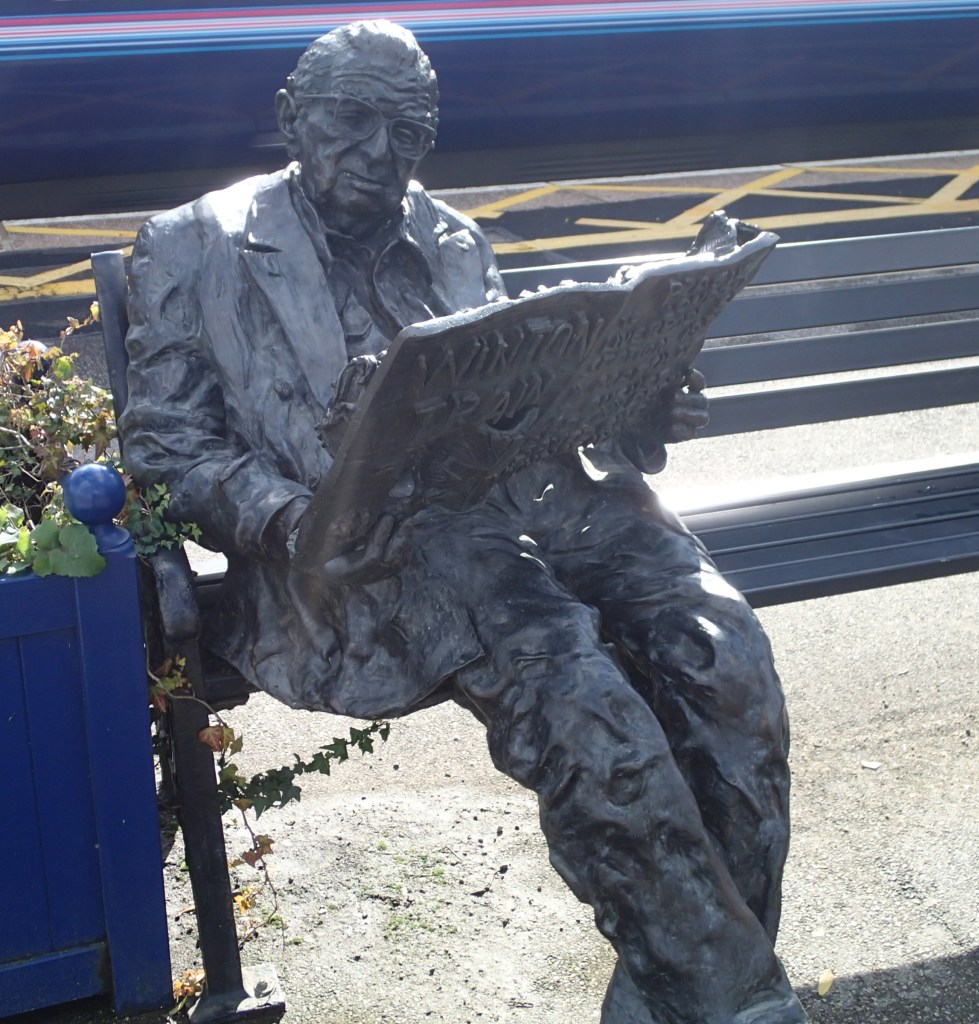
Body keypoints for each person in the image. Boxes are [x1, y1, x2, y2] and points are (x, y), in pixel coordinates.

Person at [121, 20, 806, 1024]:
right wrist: (289, 518)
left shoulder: (450, 236)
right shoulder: (194, 244)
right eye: (352, 120)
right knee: (574, 686)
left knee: (724, 650)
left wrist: (640, 400)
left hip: (530, 506)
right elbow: (166, 448)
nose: (379, 152)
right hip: (364, 551)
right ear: (292, 118)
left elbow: (521, 404)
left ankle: (682, 972)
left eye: (407, 133)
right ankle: (733, 999)